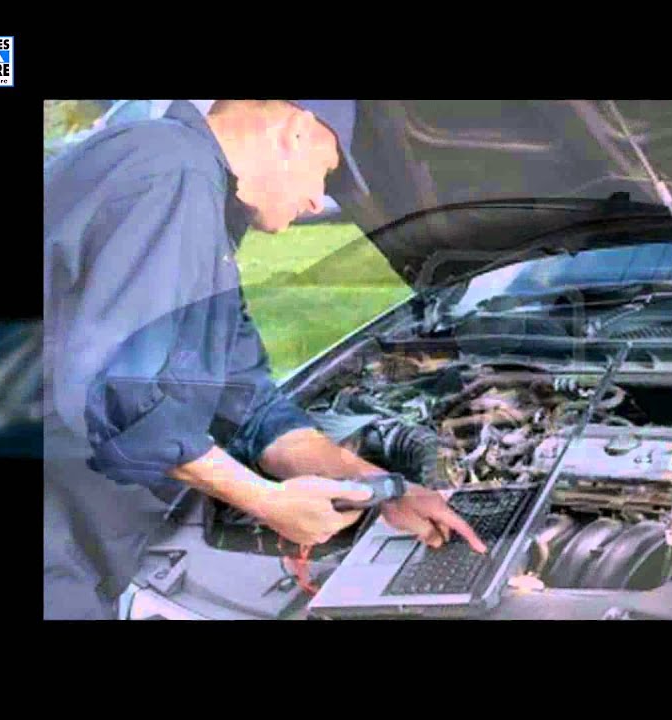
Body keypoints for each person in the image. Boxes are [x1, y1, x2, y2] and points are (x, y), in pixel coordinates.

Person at [43, 99, 485, 620]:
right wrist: (266, 502)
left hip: (80, 545)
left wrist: (386, 490)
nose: (318, 201)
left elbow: (250, 408)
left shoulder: (196, 202)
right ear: (295, 131)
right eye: (326, 173)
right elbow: (120, 394)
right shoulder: (170, 173)